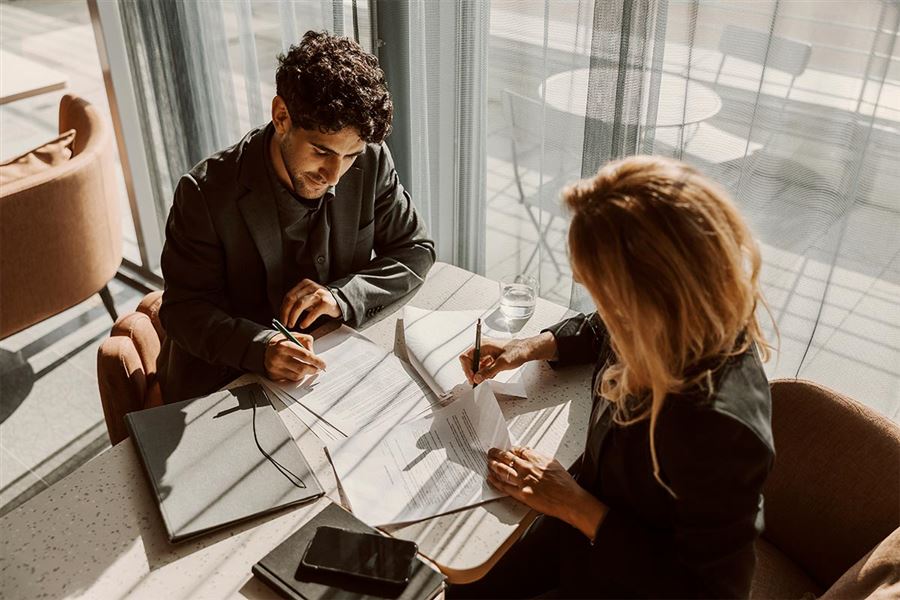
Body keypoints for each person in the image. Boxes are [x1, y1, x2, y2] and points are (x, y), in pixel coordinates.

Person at [452, 156, 776, 598]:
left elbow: (710, 591)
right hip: (586, 517)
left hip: (628, 570)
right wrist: (527, 347)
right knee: (470, 584)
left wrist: (575, 506)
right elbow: (598, 327)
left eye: (606, 295)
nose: (603, 309)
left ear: (651, 298)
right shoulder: (665, 322)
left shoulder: (720, 427)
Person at [158, 31, 435, 403]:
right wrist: (260, 347)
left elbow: (416, 248)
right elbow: (183, 311)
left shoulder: (370, 159)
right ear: (281, 116)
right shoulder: (204, 193)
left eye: (350, 155)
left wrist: (341, 296)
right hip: (227, 381)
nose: (335, 174)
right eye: (322, 151)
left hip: (332, 373)